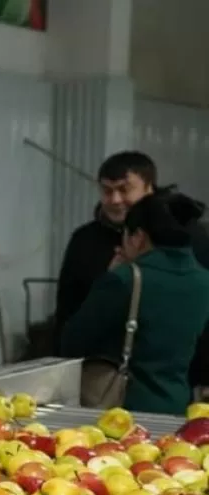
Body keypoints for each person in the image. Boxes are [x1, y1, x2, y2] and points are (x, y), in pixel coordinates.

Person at [62, 194, 209, 414]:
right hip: (179, 405)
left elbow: (72, 343)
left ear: (138, 237)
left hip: (124, 409)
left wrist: (107, 277)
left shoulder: (124, 280)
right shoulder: (204, 280)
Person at [54, 151, 209, 349]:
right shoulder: (84, 240)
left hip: (179, 365)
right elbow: (67, 312)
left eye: (124, 189)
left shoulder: (186, 235)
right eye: (107, 191)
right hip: (103, 367)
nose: (115, 200)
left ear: (149, 187)